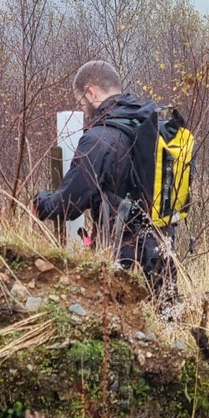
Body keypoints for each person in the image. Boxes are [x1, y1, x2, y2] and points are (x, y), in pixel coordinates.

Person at [33, 60, 171, 279]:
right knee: (163, 309)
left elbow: (69, 203)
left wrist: (41, 202)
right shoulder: (152, 125)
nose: (83, 111)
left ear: (90, 93)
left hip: (123, 260)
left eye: (80, 104)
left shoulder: (100, 138)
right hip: (163, 252)